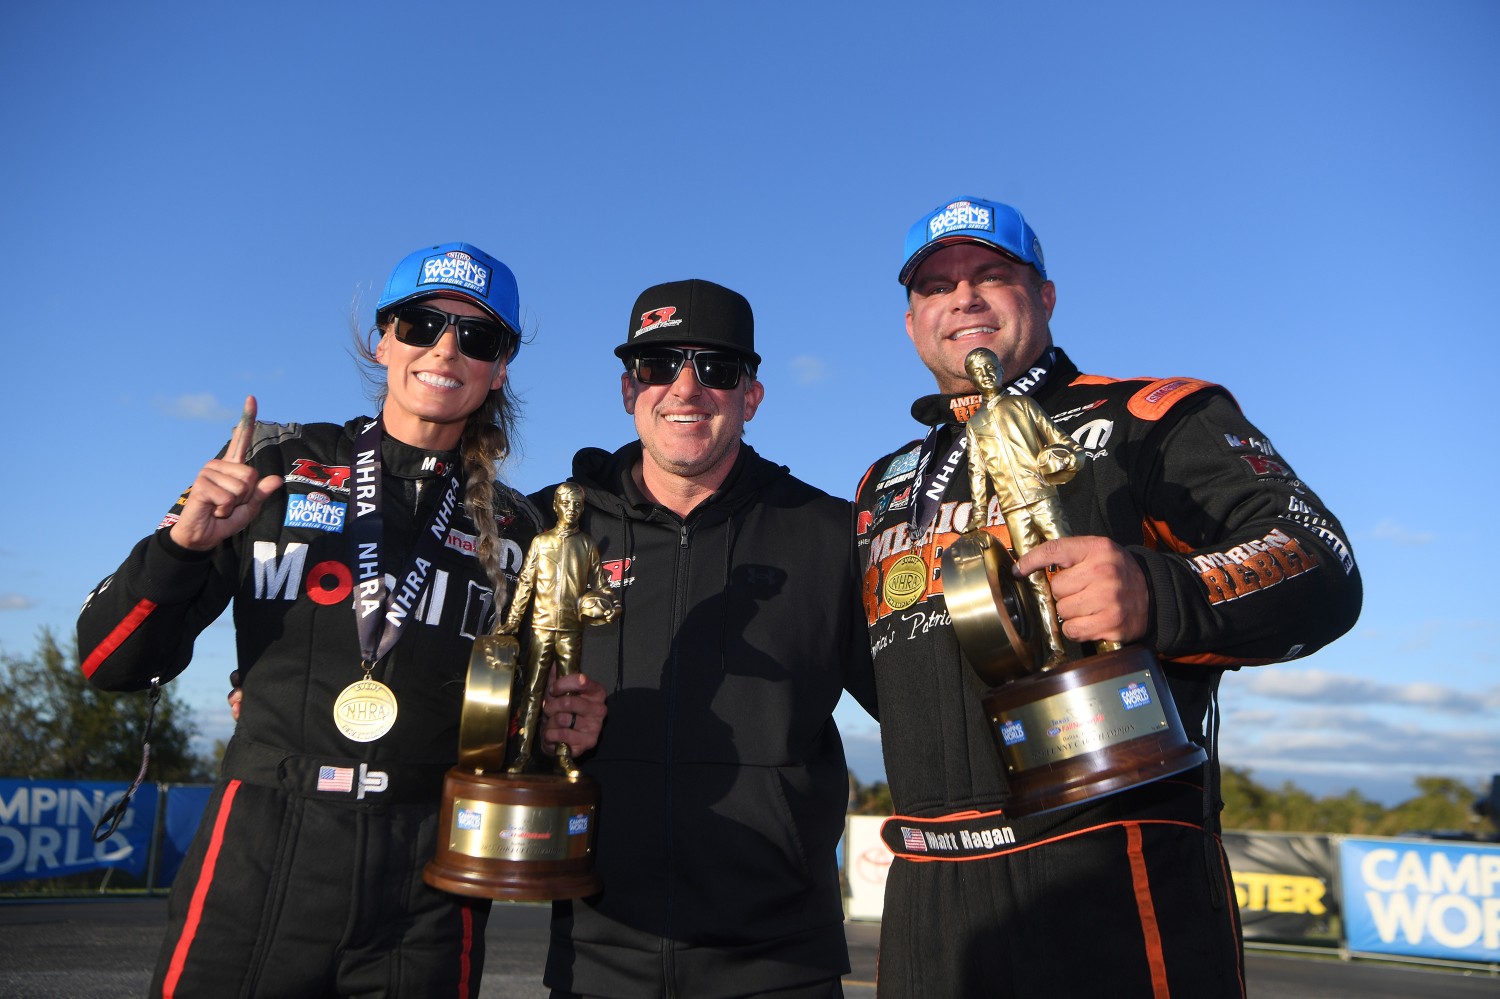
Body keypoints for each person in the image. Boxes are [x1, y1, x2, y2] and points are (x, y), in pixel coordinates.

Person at [856, 197, 1362, 998]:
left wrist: (1161, 591)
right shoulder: (883, 483)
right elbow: (886, 667)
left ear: (1045, 297)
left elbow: (1320, 560)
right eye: (937, 286)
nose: (964, 298)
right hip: (929, 891)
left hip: (1110, 866)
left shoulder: (1149, 416)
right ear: (913, 322)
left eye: (992, 274)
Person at [77, 242, 600, 997]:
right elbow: (109, 664)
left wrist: (560, 724)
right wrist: (181, 549)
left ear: (500, 365)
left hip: (430, 879)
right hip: (261, 852)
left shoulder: (520, 529)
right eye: (422, 324)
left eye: (476, 337)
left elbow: (515, 719)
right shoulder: (275, 465)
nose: (444, 349)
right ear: (384, 339)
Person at [536, 279, 878, 998]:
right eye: (660, 366)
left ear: (751, 395)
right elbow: (463, 688)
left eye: (716, 370)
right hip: (595, 954)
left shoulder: (833, 534)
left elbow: (923, 702)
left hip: (783, 963)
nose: (685, 389)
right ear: (629, 387)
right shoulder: (550, 530)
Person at [961, 344, 1082, 667]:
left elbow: (1063, 442)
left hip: (1043, 497)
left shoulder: (1024, 405)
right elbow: (977, 473)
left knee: (1073, 565)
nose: (986, 374)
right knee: (1033, 580)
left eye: (990, 367)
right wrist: (979, 515)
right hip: (1013, 510)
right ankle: (1056, 651)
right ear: (972, 379)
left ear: (1001, 371)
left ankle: (1103, 641)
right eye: (978, 371)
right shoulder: (975, 425)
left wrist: (1065, 459)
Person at [501, 481, 618, 777]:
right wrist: (513, 622)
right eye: (566, 504)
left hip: (571, 631)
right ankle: (522, 754)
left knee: (569, 697)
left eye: (577, 505)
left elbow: (602, 587)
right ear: (555, 507)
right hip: (540, 627)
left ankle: (564, 757)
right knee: (531, 691)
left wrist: (607, 607)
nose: (571, 510)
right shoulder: (541, 543)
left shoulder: (586, 545)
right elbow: (525, 584)